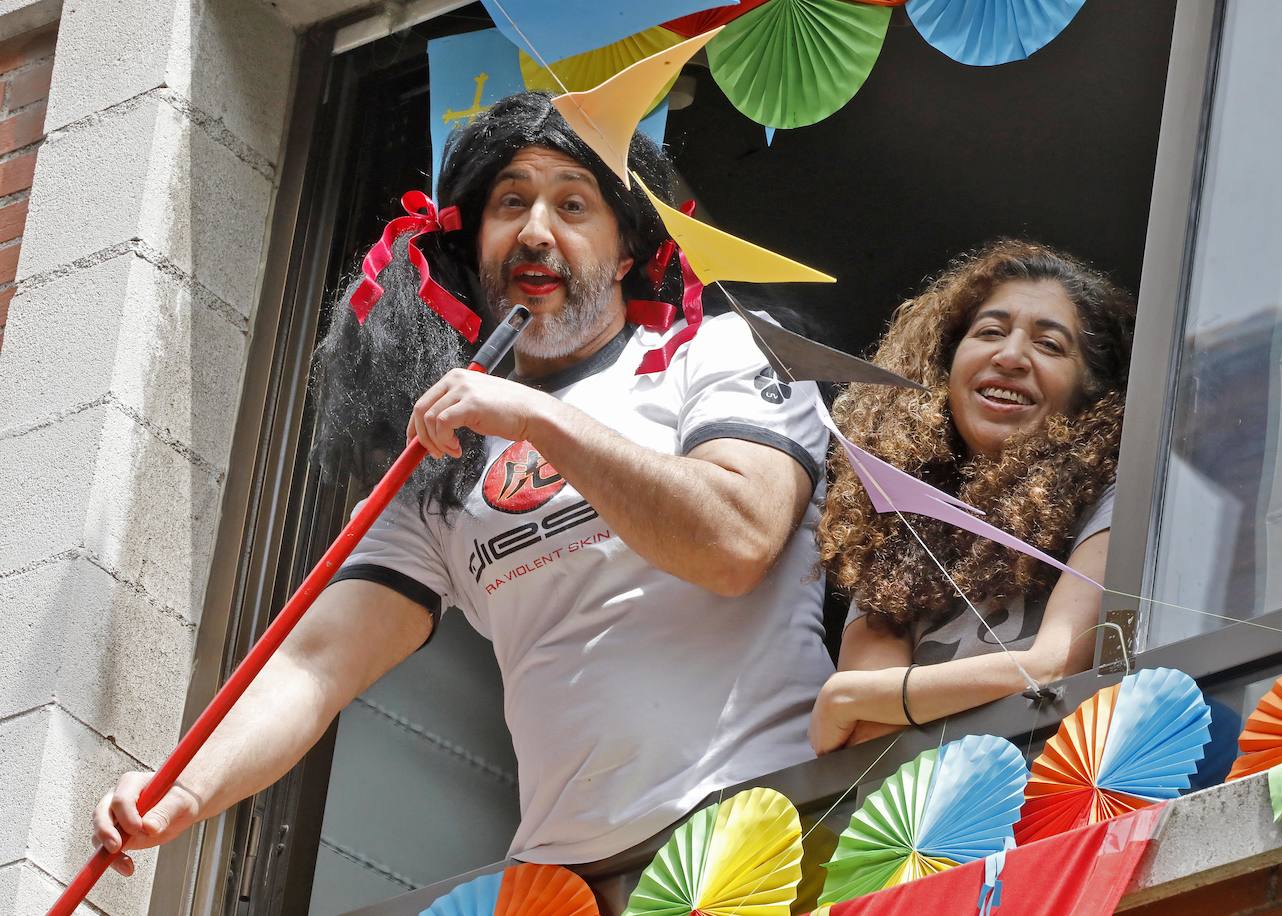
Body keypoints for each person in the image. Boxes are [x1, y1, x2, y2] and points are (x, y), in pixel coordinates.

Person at [91, 91, 834, 873]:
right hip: (561, 879)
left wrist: (541, 420)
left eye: (573, 204)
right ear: (476, 251)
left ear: (627, 253)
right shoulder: (444, 454)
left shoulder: (727, 351)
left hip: (767, 823)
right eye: (510, 202)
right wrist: (187, 788)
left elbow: (736, 541)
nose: (536, 230)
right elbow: (313, 663)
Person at [809, 240, 1135, 753]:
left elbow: (1053, 665)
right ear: (946, 366)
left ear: (1091, 390)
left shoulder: (1117, 495)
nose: (1009, 357)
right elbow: (868, 738)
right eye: (990, 333)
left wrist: (866, 697)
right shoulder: (897, 532)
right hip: (928, 822)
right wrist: (859, 699)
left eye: (1049, 345)